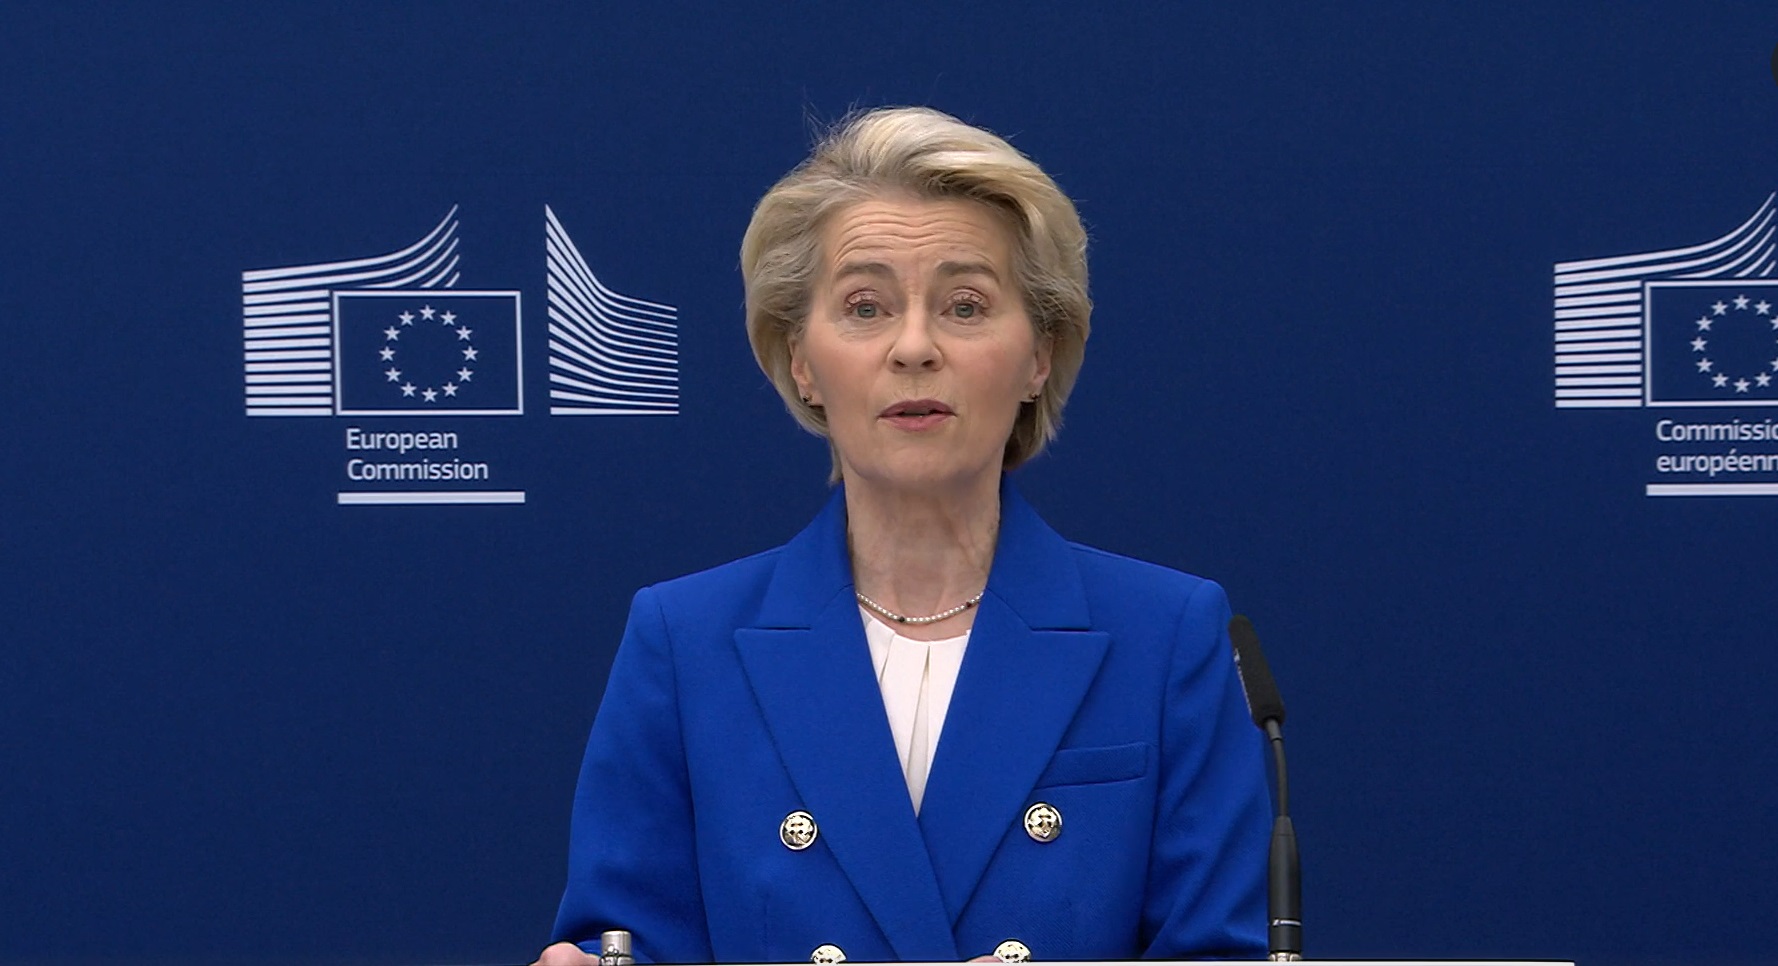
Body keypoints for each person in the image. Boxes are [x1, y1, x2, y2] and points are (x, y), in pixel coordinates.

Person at [536, 106, 1269, 965]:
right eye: (865, 306)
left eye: (965, 305)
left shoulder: (1167, 635)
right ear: (801, 360)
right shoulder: (684, 642)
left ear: (1039, 354)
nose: (914, 346)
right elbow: (630, 941)